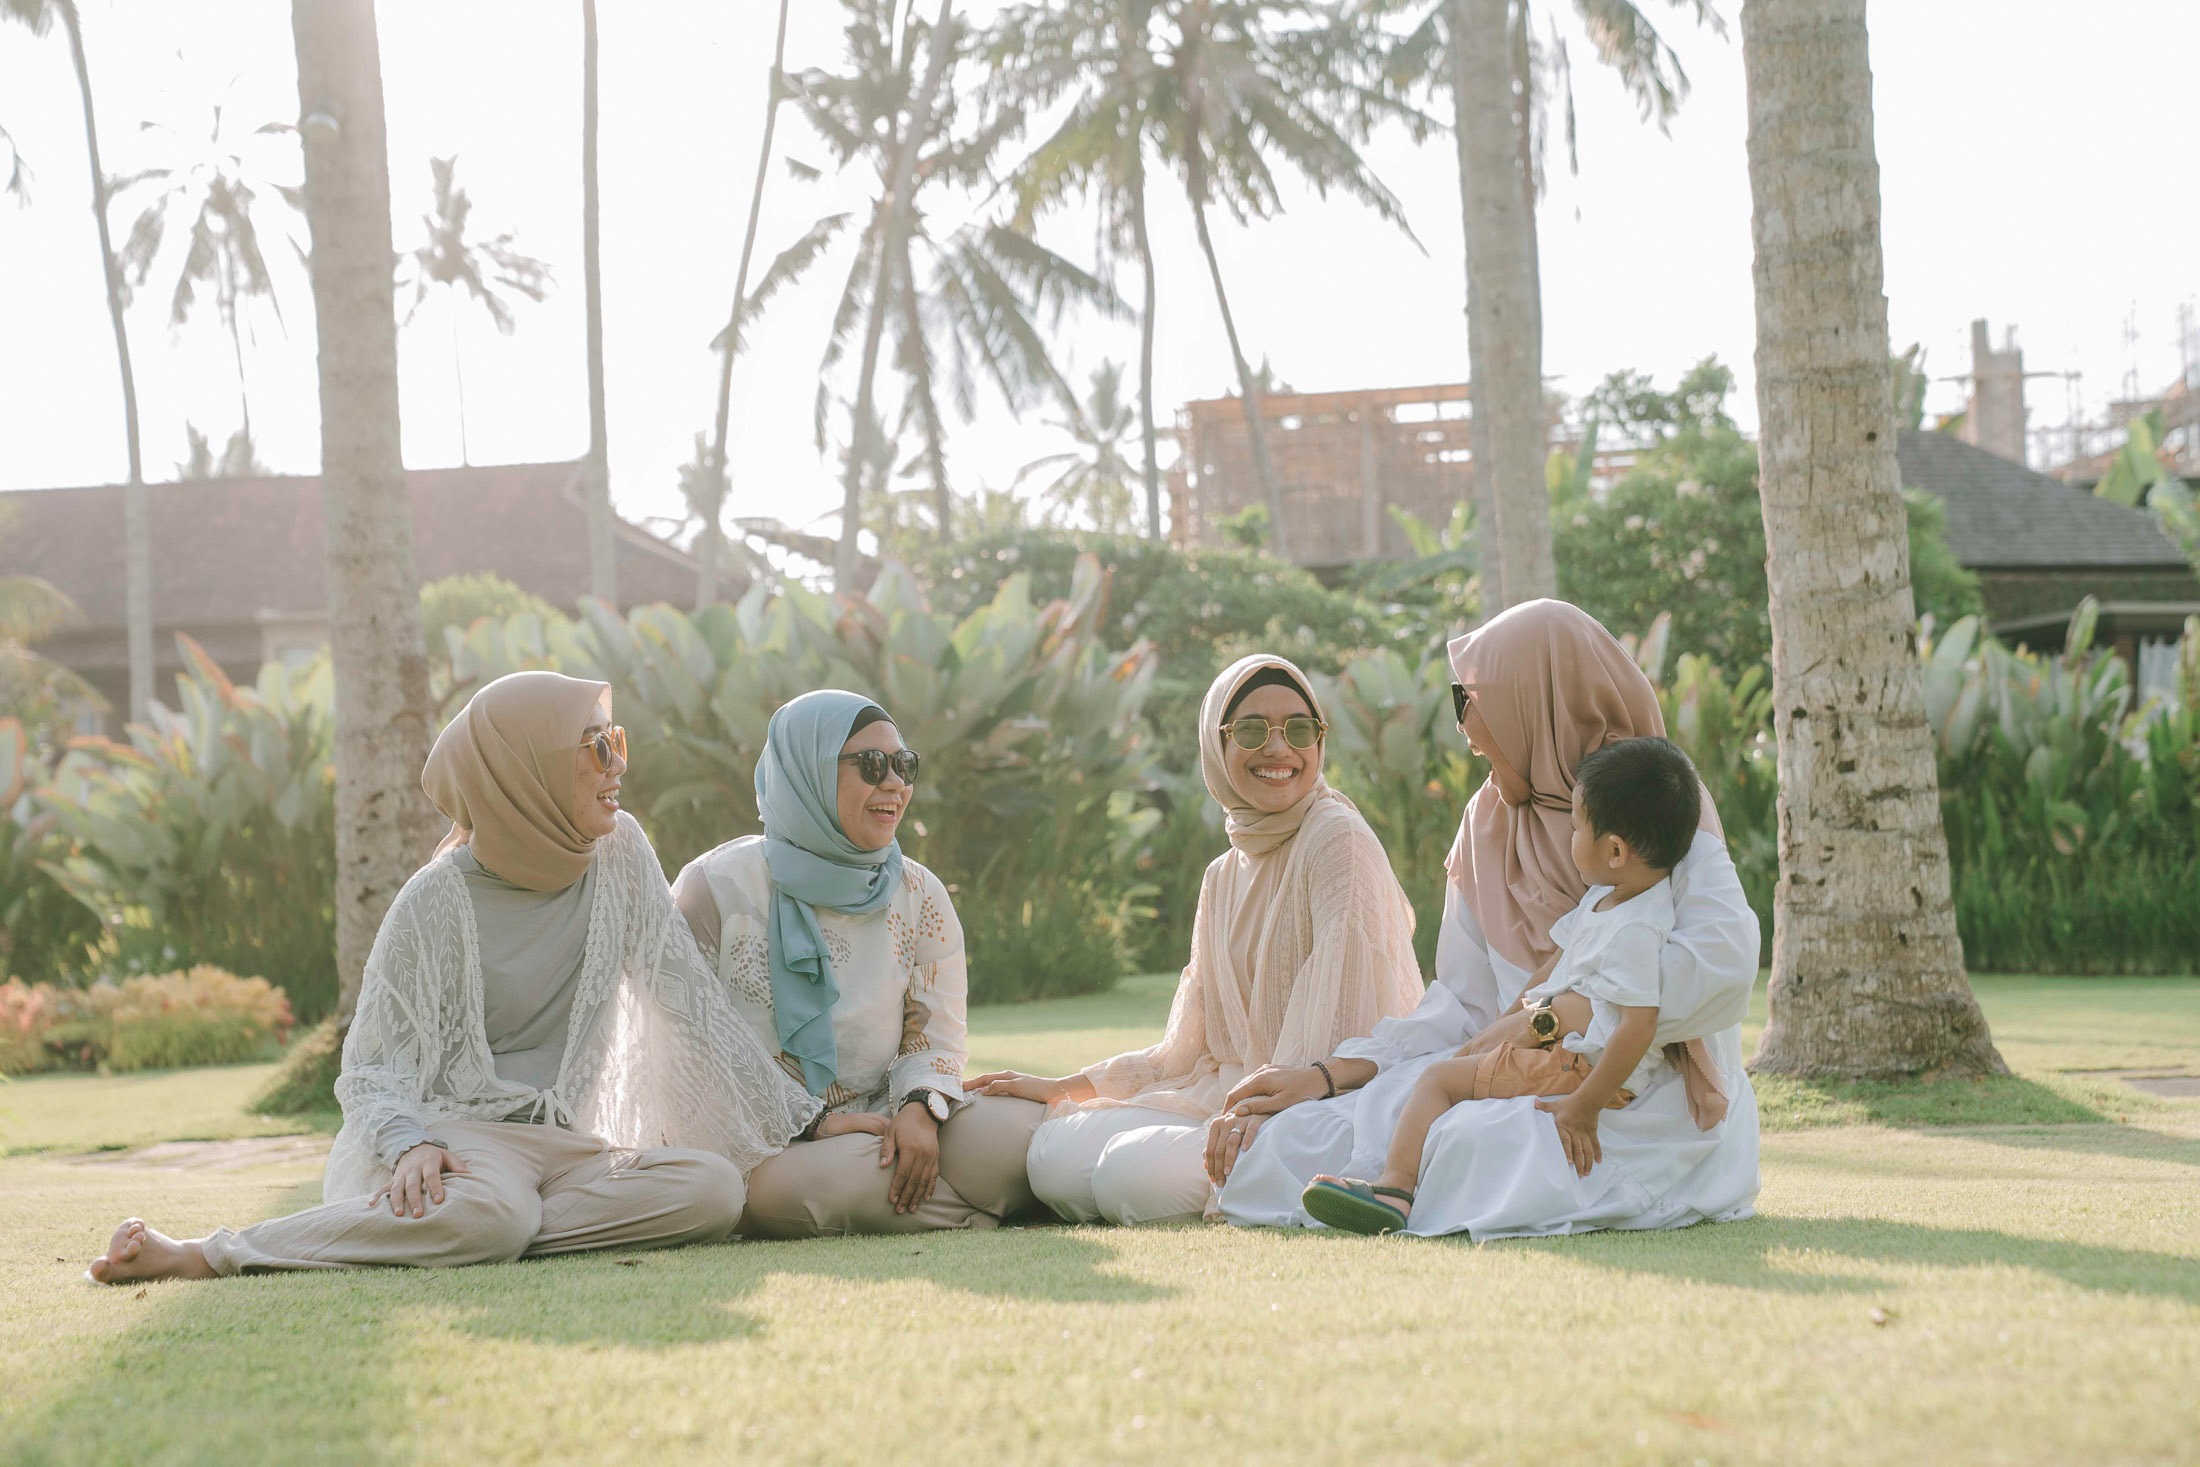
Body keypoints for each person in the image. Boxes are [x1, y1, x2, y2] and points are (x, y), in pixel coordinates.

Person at [87, 671, 819, 1284]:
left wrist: (808, 1118)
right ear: (521, 770)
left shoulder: (622, 852)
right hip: (457, 1141)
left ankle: (484, 1229)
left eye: (615, 739)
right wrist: (409, 1144)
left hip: (566, 1147)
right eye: (595, 746)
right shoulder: (435, 900)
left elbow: (689, 1000)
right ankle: (208, 1253)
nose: (616, 762)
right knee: (488, 1207)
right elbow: (371, 1066)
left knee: (712, 1189)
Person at [1217, 600, 1762, 1240]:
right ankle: (1392, 1189)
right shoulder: (1489, 822)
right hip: (1510, 1062)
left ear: (1540, 700)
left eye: (1472, 699)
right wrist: (1330, 1075)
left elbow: (1722, 969)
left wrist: (1557, 1016)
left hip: (1634, 1093)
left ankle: (1400, 1193)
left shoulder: (1656, 801)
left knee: (1479, 1146)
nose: (1466, 727)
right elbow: (1461, 1004)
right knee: (1293, 1142)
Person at [965, 654, 1426, 1226]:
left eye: (1300, 729)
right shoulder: (1221, 875)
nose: (1280, 748)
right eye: (1253, 730)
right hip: (1227, 1093)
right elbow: (1185, 1050)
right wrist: (1065, 1085)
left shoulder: (1336, 837)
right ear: (1217, 744)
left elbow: (1341, 1017)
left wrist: (1262, 1112)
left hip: (1321, 1103)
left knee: (1127, 1177)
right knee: (1054, 1158)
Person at [1302, 736, 1718, 1234]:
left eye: (1578, 827)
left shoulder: (1635, 928)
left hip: (1572, 1068)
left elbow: (1638, 1024)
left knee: (1436, 1081)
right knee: (1454, 1064)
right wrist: (1504, 1026)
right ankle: (1388, 1172)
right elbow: (1555, 965)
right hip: (1557, 1047)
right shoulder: (1607, 901)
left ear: (1613, 850)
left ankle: (1394, 1190)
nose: (1570, 837)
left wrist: (1584, 1108)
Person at [673, 690, 1043, 1237]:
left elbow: (935, 1033)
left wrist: (919, 1108)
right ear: (809, 773)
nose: (894, 783)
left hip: (886, 1115)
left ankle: (939, 1196)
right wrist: (816, 1123)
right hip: (768, 1140)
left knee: (1020, 1134)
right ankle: (977, 1209)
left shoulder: (918, 890)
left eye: (904, 764)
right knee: (800, 1188)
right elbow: (686, 1049)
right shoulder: (717, 888)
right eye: (872, 765)